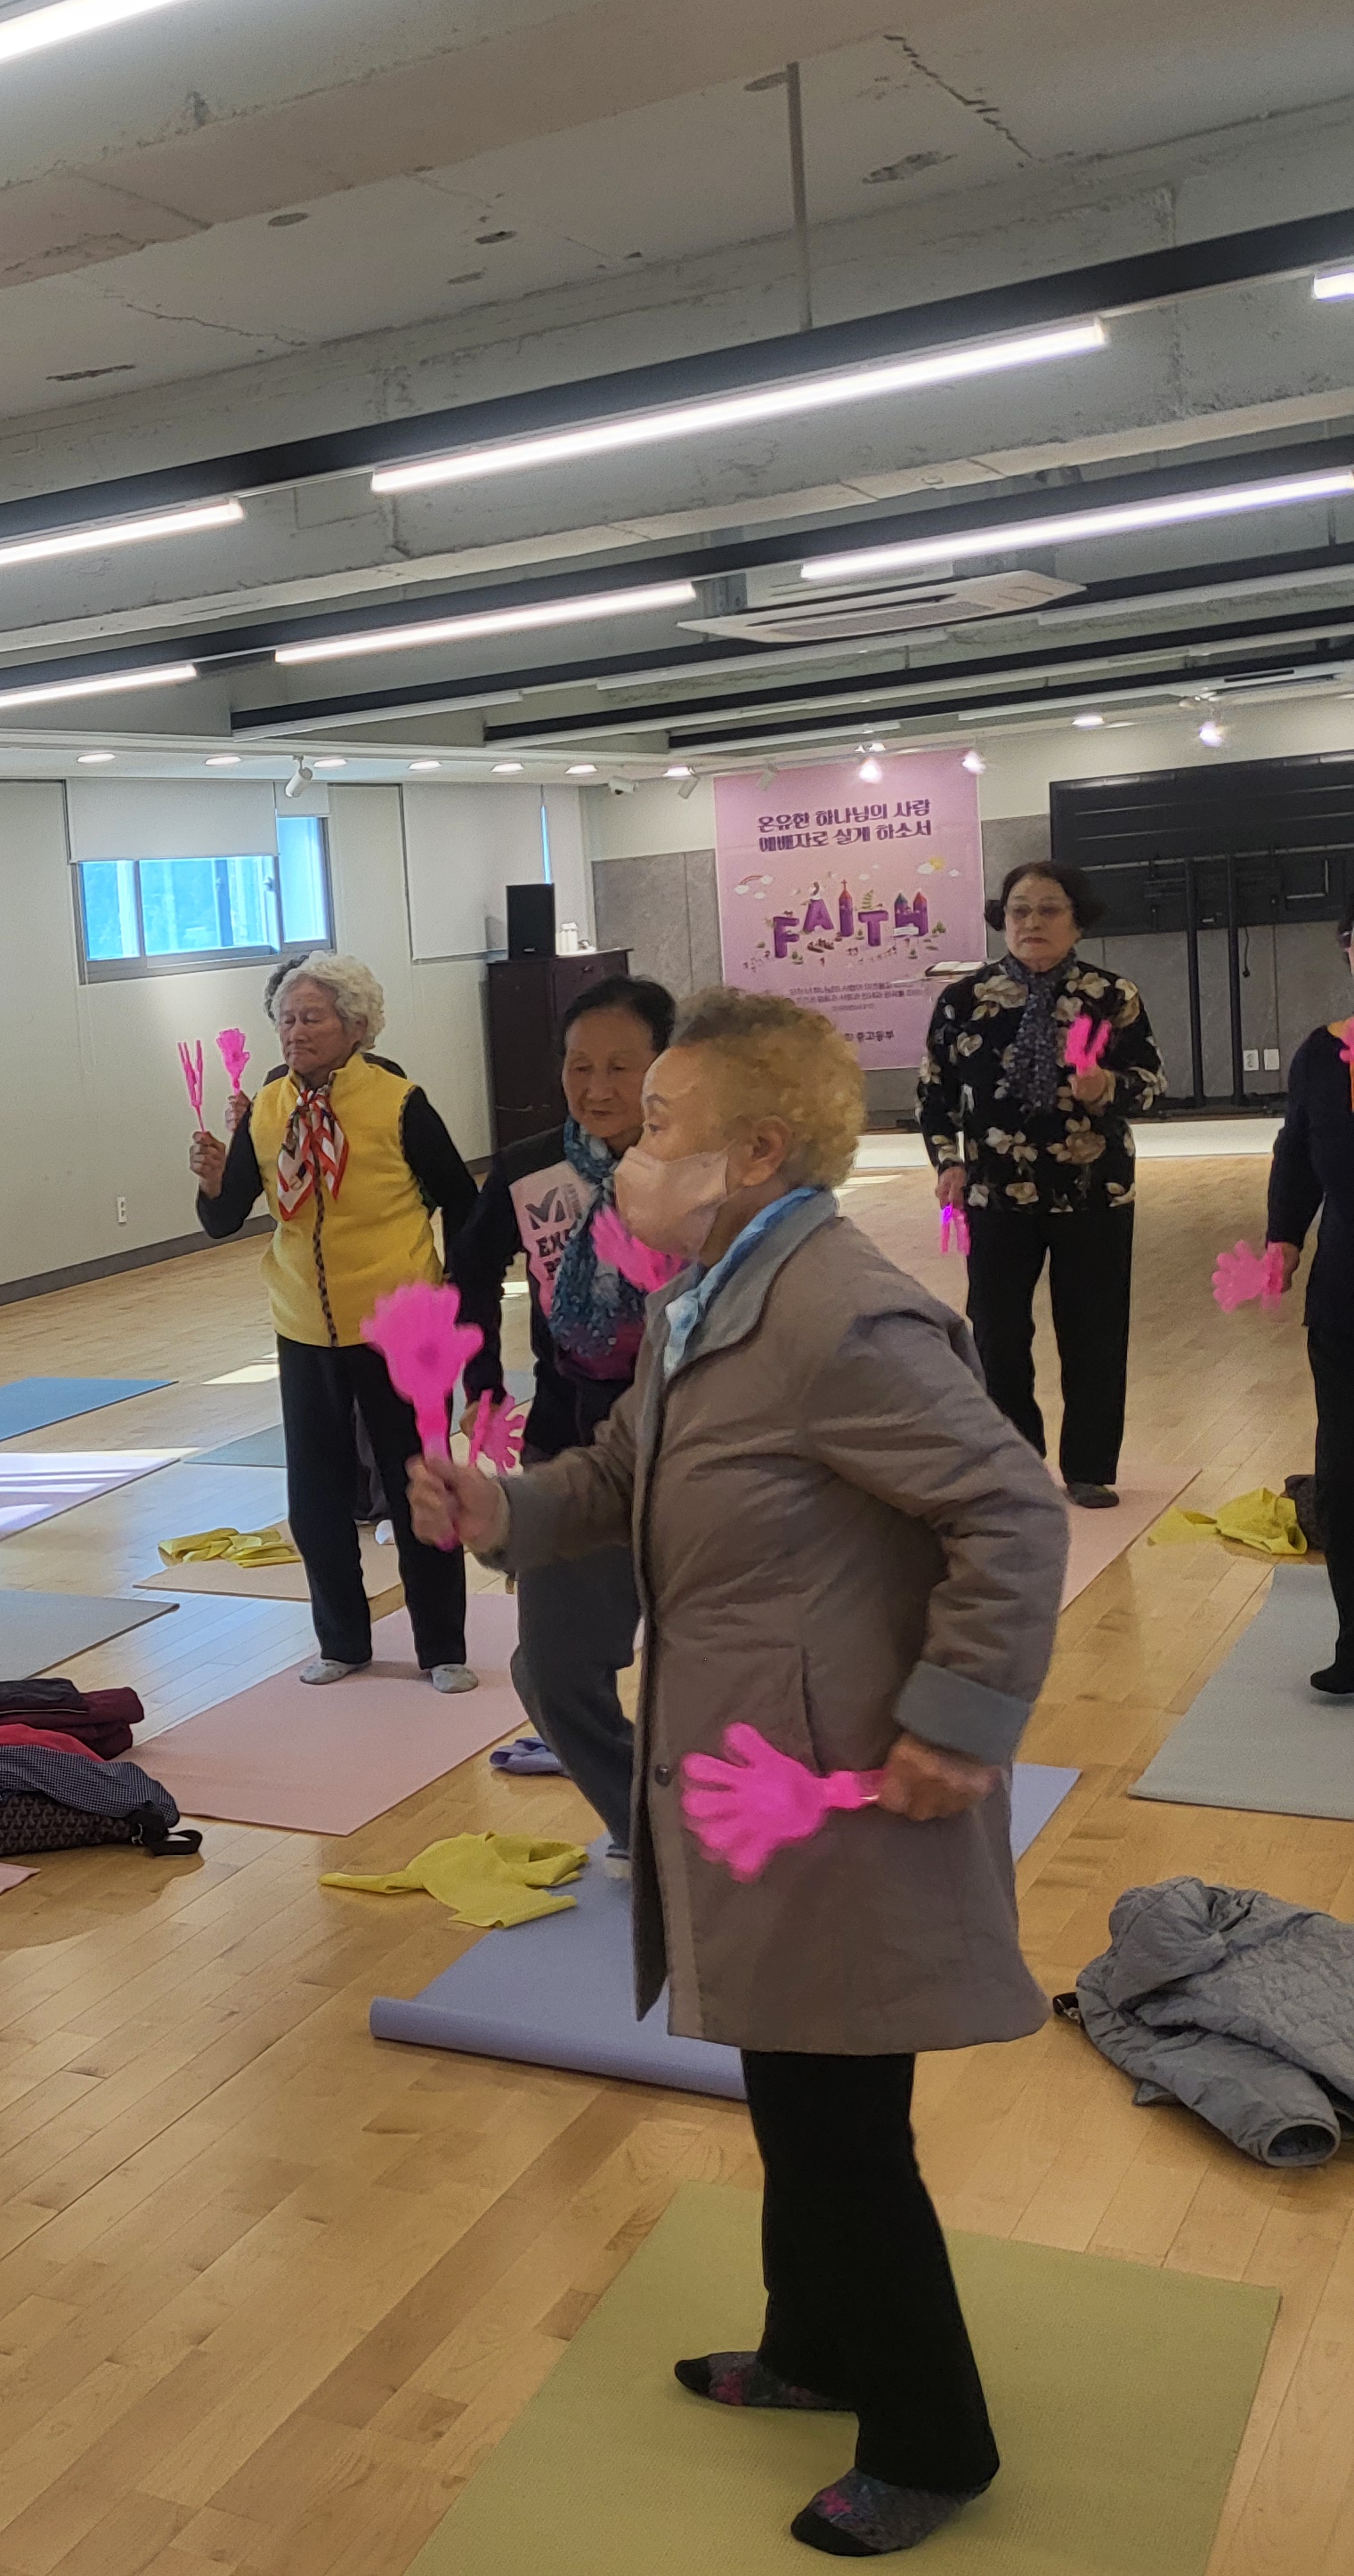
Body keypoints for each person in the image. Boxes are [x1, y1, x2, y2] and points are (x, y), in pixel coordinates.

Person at [410, 989, 1063, 2560]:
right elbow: (625, 1471)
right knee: (792, 2078)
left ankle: (933, 2442)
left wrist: (956, 1722)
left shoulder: (841, 1316)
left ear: (759, 1152)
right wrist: (504, 1511)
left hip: (840, 1782)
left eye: (661, 1125)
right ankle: (814, 2347)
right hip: (757, 1773)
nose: (628, 1149)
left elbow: (1012, 1513)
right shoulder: (709, 1292)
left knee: (845, 2126)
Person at [191, 952, 484, 1689]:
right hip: (303, 1327)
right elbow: (224, 1219)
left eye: (312, 1018)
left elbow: (462, 1198)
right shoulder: (266, 1108)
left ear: (355, 1026)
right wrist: (213, 1181)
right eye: (286, 1019)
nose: (295, 1032)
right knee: (315, 1501)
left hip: (401, 1324)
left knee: (420, 1487)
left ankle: (442, 1648)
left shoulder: (399, 1102)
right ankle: (343, 1641)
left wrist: (454, 1288)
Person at [450, 974, 677, 1837]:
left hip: (693, 1447)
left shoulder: (700, 1166)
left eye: (621, 1066)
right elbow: (469, 1270)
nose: (597, 1087)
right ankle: (647, 1831)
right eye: (580, 1066)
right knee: (550, 1671)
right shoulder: (531, 1167)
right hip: (571, 1445)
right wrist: (481, 1384)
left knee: (720, 1679)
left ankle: (715, 1849)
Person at [918, 859, 1163, 1506]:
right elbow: (934, 1094)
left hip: (1094, 1188)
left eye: (1049, 909)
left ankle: (1089, 1467)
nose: (1032, 922)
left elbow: (1150, 1084)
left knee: (1094, 1331)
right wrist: (947, 1162)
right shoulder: (963, 1001)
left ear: (1078, 920)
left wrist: (1104, 1086)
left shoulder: (1110, 996)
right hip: (994, 1190)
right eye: (1019, 910)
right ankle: (1016, 1462)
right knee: (997, 1335)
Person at [1266, 899, 1354, 1697]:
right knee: (1345, 1465)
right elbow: (1296, 1150)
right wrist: (1284, 1237)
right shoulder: (1322, 1054)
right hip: (1345, 1291)